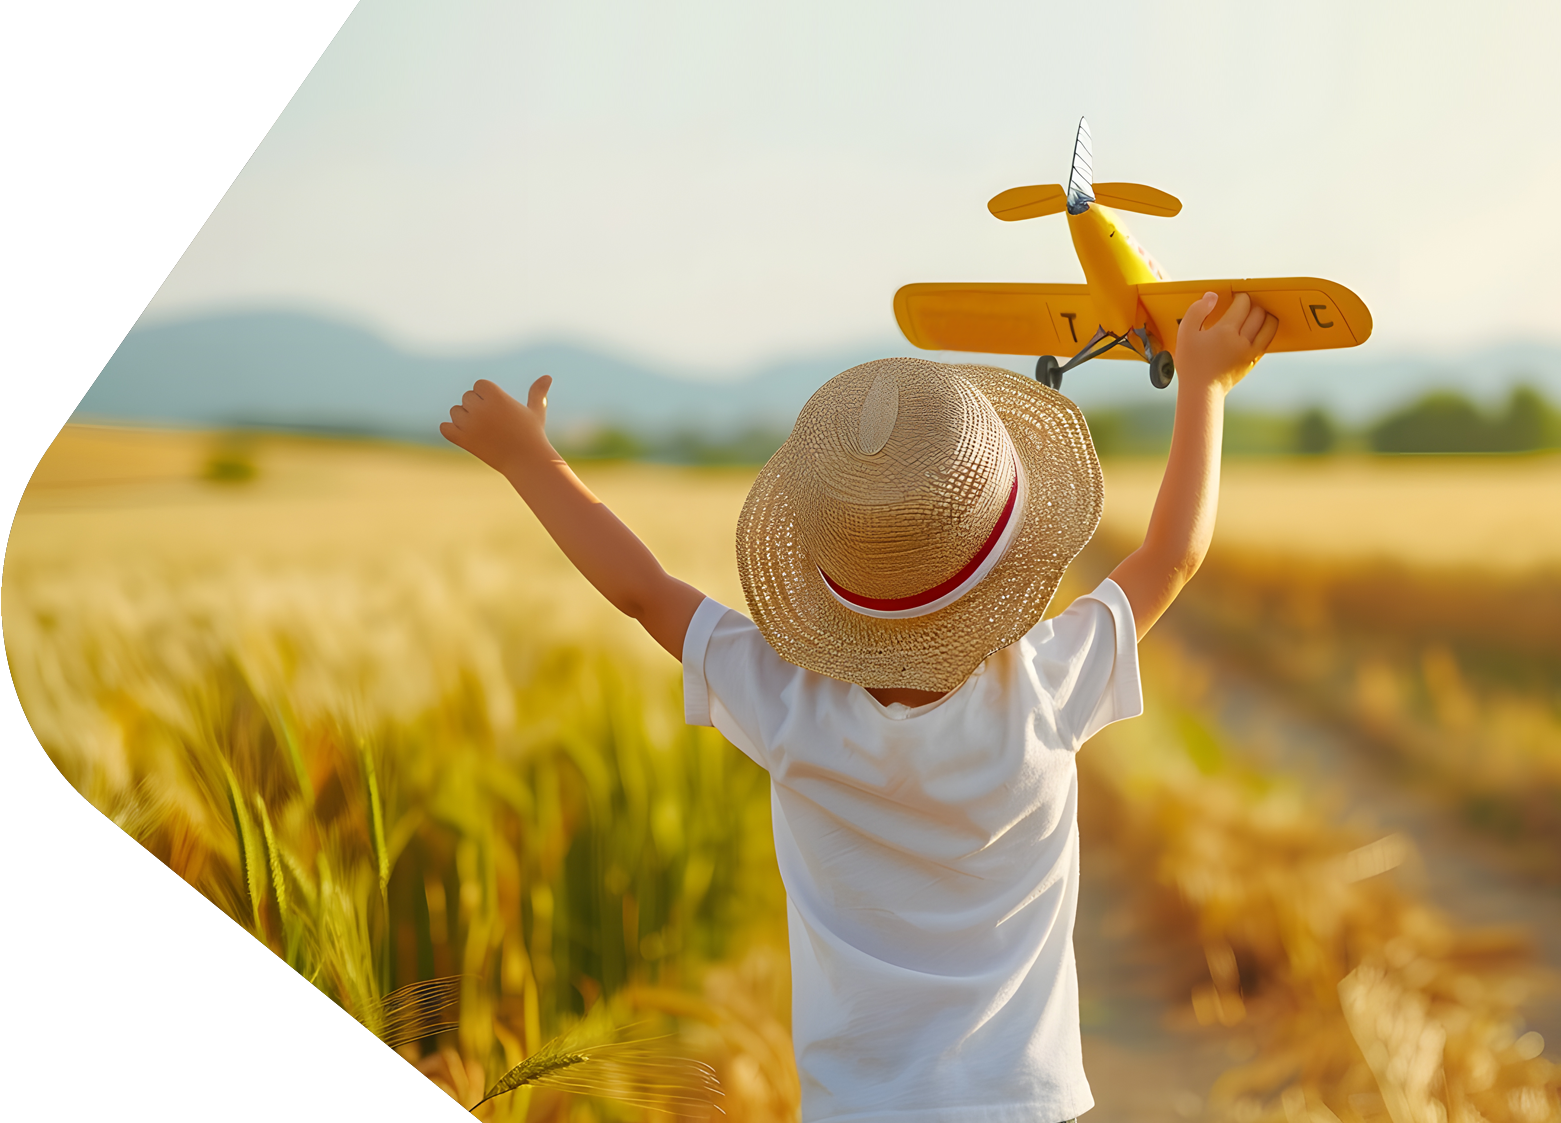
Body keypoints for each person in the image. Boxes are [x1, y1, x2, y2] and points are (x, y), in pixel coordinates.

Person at [442, 290, 1275, 1123]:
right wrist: (1202, 384)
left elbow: (644, 593)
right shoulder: (1044, 685)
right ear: (1010, 551)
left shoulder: (782, 696)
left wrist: (527, 460)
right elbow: (1171, 556)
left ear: (826, 573)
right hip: (1020, 1104)